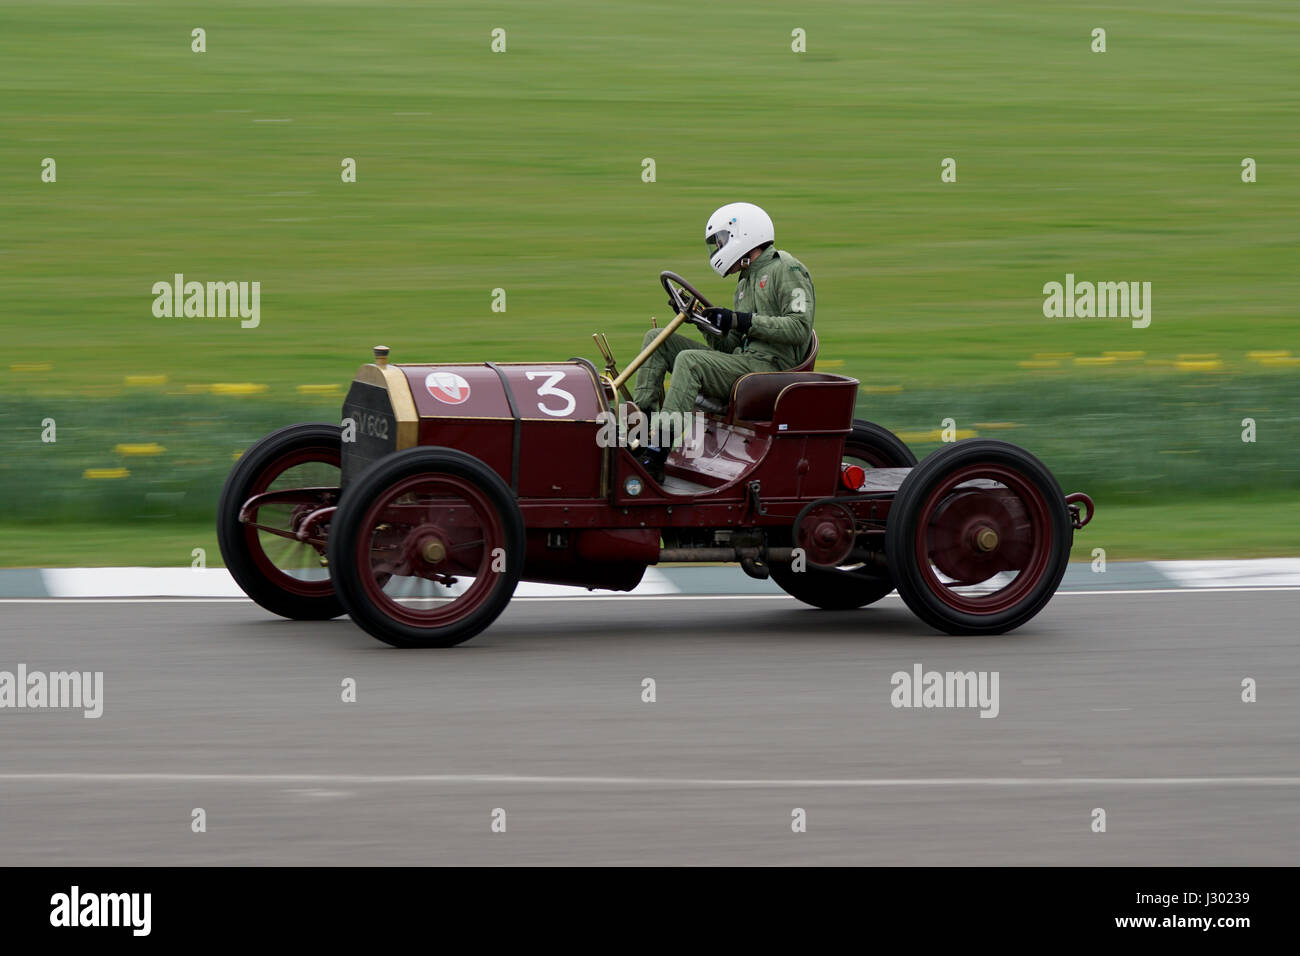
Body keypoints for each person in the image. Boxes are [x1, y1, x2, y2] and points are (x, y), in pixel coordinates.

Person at [632, 202, 815, 479]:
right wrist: (702, 322)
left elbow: (799, 328)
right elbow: (730, 348)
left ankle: (657, 452)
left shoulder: (787, 269)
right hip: (746, 363)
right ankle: (639, 431)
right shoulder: (743, 284)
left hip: (773, 370)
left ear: (744, 234)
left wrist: (740, 320)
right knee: (657, 339)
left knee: (690, 361)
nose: (717, 248)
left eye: (721, 241)